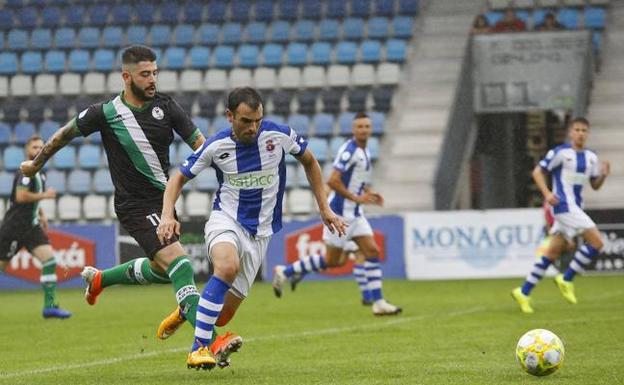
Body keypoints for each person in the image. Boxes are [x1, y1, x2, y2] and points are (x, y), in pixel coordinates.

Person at [155, 87, 346, 370]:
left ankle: (189, 307)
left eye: (257, 120)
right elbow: (177, 178)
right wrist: (167, 214)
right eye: (246, 121)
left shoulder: (279, 136)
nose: (253, 127)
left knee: (221, 317)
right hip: (226, 220)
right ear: (230, 116)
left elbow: (310, 162)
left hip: (260, 235)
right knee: (227, 267)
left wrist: (324, 207)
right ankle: (199, 349)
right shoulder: (216, 146)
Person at [20, 45, 206, 330]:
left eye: (155, 73)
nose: (153, 79)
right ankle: (209, 340)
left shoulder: (167, 108)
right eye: (145, 74)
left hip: (163, 202)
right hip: (134, 205)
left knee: (161, 269)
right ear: (127, 77)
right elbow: (62, 136)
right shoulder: (105, 113)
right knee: (181, 266)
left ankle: (100, 280)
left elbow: (201, 146)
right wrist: (36, 164)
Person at [272, 112, 402, 316]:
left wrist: (367, 194)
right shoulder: (349, 150)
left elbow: (354, 181)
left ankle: (378, 302)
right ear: (353, 129)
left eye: (367, 126)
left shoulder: (364, 151)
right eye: (360, 126)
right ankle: (285, 271)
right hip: (341, 213)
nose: (364, 130)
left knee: (372, 251)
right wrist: (355, 198)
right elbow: (333, 180)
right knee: (334, 261)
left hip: (356, 214)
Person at [512, 117, 610, 313]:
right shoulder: (560, 153)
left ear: (587, 133)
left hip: (576, 208)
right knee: (597, 243)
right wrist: (547, 194)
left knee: (552, 253)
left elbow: (594, 185)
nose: (580, 133)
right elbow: (537, 172)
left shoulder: (591, 156)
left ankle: (523, 292)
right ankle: (566, 279)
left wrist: (603, 175)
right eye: (577, 129)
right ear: (570, 132)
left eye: (584, 130)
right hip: (564, 206)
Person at [0, 135, 71, 319]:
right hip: (14, 227)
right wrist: (46, 197)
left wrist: (42, 215)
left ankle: (49, 307)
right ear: (27, 151)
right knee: (2, 265)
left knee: (49, 261)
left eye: (41, 147)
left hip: (31, 227)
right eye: (34, 147)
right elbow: (21, 197)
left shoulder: (41, 173)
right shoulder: (25, 171)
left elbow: (32, 198)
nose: (38, 150)